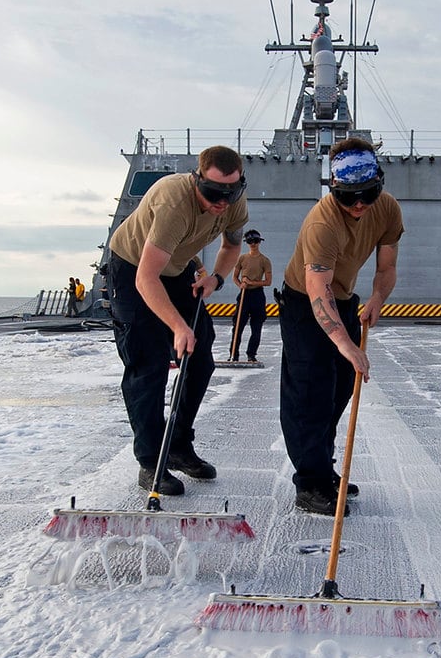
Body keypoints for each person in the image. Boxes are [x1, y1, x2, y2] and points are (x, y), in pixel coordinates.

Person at [103, 147, 249, 494]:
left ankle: (179, 446)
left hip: (176, 270)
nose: (223, 202)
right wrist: (178, 326)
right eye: (214, 193)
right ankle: (151, 459)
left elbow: (231, 247)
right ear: (198, 180)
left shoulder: (232, 201)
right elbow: (145, 278)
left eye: (231, 193)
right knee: (148, 363)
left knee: (200, 361)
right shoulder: (173, 202)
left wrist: (215, 278)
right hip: (133, 269)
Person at [278, 137, 402, 514]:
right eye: (349, 197)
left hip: (345, 300)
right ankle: (310, 484)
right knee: (310, 393)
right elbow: (317, 288)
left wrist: (377, 300)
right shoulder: (322, 222)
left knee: (340, 390)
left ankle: (321, 465)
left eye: (367, 193)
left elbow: (387, 267)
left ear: (379, 183)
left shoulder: (388, 209)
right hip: (304, 304)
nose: (359, 204)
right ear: (335, 190)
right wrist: (347, 345)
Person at [231, 230, 272, 362]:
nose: (253, 244)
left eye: (255, 241)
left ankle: (251, 354)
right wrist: (240, 285)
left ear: (259, 242)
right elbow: (234, 277)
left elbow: (268, 282)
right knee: (238, 326)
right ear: (247, 243)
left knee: (256, 327)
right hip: (244, 294)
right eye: (250, 241)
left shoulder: (264, 260)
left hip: (257, 295)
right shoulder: (242, 258)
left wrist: (251, 282)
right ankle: (233, 354)